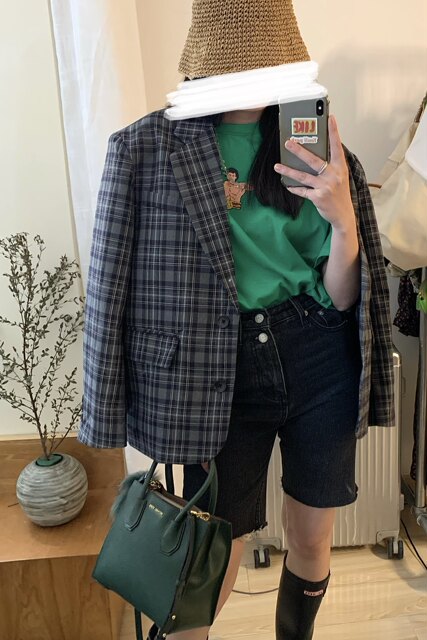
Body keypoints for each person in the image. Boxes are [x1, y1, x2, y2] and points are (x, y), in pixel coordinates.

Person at [78, 1, 394, 639]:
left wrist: (343, 219)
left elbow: (340, 300)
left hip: (317, 354)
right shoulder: (146, 148)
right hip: (213, 369)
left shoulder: (315, 143)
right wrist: (104, 410)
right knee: (209, 552)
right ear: (210, 61)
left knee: (312, 537)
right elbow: (107, 286)